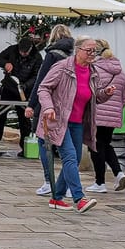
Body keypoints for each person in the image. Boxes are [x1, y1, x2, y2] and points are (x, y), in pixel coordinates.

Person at [33, 36, 103, 212]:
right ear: (78, 49)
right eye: (89, 50)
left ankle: (57, 198)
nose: (92, 54)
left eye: (95, 51)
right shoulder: (62, 67)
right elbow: (43, 88)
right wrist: (48, 107)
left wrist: (106, 93)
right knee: (70, 156)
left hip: (77, 122)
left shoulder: (93, 70)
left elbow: (96, 96)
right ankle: (79, 199)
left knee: (76, 158)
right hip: (58, 121)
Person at [25, 25, 75, 196]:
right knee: (66, 147)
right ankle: (67, 184)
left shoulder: (52, 55)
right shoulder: (73, 56)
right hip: (68, 106)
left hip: (47, 106)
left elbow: (41, 82)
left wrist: (31, 105)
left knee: (44, 141)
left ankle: (49, 181)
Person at [81, 38, 125, 193]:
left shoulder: (94, 68)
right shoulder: (119, 70)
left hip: (97, 113)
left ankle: (100, 182)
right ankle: (118, 172)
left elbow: (89, 92)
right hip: (113, 115)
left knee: (95, 147)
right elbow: (124, 97)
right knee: (105, 144)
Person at [0, 34, 40, 158]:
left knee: (24, 120)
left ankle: (25, 147)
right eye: (21, 51)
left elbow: (37, 76)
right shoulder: (12, 50)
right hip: (8, 88)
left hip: (24, 91)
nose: (23, 54)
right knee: (0, 117)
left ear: (30, 49)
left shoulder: (37, 57)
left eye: (25, 52)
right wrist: (5, 63)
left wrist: (25, 86)